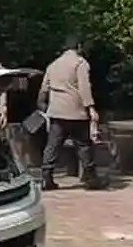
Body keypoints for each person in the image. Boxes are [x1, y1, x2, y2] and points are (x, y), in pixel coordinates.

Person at [38, 35, 100, 191]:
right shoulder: (80, 63)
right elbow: (84, 87)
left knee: (52, 145)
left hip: (56, 111)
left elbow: (44, 88)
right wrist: (91, 108)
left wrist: (43, 104)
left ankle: (46, 178)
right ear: (79, 47)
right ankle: (91, 178)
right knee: (84, 145)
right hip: (76, 111)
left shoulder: (53, 65)